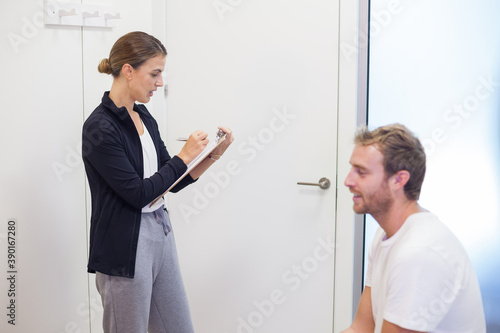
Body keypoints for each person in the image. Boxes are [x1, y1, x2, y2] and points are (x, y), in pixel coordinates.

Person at [82, 31, 234, 333]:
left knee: (178, 327)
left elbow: (170, 182)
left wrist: (210, 156)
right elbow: (138, 194)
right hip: (124, 246)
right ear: (128, 70)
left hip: (159, 232)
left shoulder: (144, 116)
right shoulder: (99, 127)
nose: (160, 82)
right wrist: (184, 155)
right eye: (155, 73)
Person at [342, 124, 485, 333]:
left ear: (398, 180)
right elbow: (361, 328)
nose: (348, 181)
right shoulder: (385, 235)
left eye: (361, 173)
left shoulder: (419, 252)